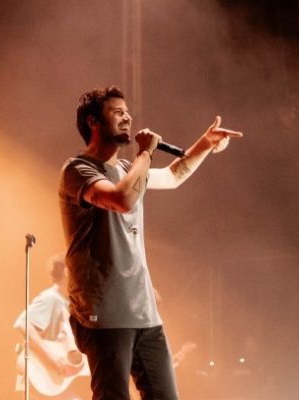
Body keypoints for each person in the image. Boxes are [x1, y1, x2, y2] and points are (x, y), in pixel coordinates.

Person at [58, 85, 243, 400]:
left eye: (127, 112)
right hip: (104, 312)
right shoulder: (78, 169)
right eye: (117, 112)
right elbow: (121, 200)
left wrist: (205, 144)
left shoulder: (126, 169)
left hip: (144, 312)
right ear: (93, 121)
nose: (127, 118)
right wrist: (145, 152)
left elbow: (172, 176)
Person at [13, 253, 88, 400]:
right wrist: (51, 358)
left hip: (61, 382)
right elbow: (22, 323)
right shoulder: (51, 298)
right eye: (78, 269)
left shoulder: (71, 303)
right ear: (66, 271)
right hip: (45, 377)